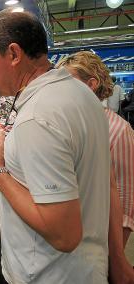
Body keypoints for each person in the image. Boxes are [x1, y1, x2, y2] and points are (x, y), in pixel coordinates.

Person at [0, 10, 111, 283]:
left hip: (47, 275)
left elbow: (64, 234)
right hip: (86, 269)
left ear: (14, 55)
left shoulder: (38, 117)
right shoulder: (80, 94)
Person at [56, 51, 134, 283]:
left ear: (91, 84)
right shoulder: (65, 123)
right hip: (66, 246)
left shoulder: (118, 131)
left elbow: (125, 202)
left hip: (94, 249)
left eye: (65, 83)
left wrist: (117, 260)